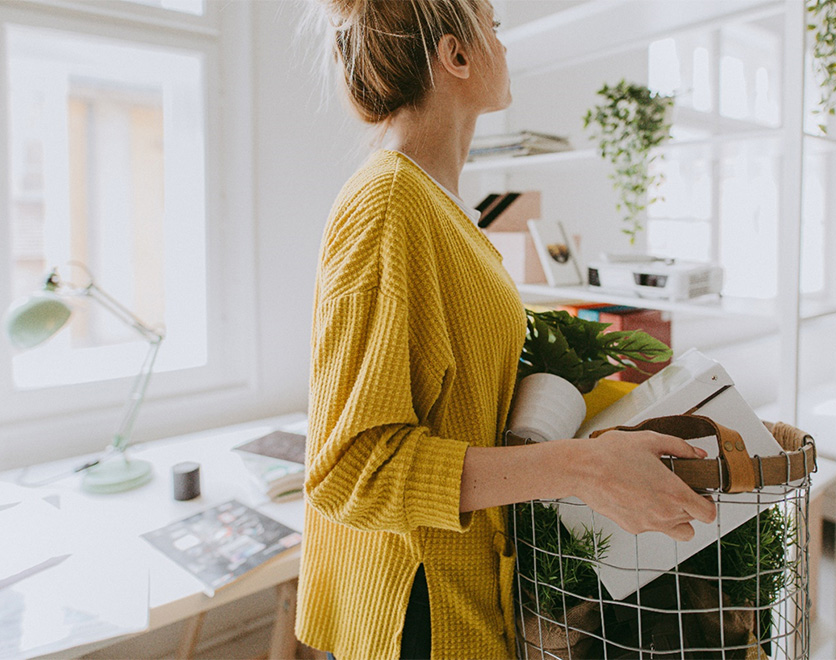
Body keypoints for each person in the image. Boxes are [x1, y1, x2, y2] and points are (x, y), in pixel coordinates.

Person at [294, 1, 717, 658]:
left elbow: (463, 385)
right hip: (417, 615)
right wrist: (583, 470)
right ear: (456, 55)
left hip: (463, 594)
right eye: (492, 26)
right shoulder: (389, 204)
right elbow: (351, 471)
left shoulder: (439, 204)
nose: (504, 42)